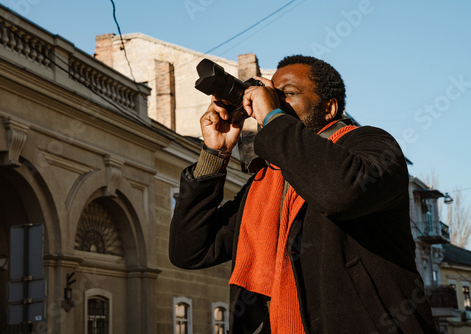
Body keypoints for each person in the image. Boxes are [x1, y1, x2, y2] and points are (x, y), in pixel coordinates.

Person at [169, 55, 437, 334]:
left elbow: (341, 193)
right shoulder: (267, 179)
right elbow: (190, 251)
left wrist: (273, 116)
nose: (274, 102)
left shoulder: (371, 145)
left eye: (288, 94)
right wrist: (215, 153)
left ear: (329, 107)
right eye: (272, 95)